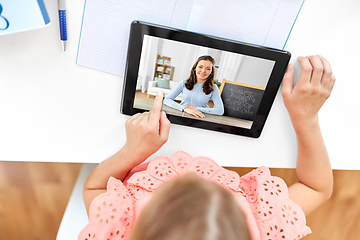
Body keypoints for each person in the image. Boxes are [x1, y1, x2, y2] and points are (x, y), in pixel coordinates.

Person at [79, 55, 335, 240]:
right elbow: (316, 186)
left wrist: (132, 152)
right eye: (200, 67)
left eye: (207, 68)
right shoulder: (185, 83)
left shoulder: (118, 226)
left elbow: (94, 186)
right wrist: (306, 117)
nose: (203, 71)